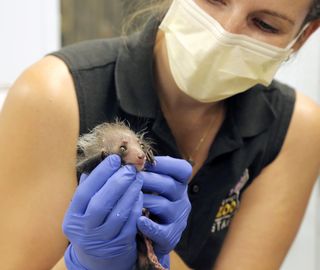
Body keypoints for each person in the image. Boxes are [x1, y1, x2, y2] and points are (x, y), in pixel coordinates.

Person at [1, 0, 320, 269]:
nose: (224, 32)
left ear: (303, 35)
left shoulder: (295, 128)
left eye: (264, 24)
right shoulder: (54, 94)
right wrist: (83, 263)